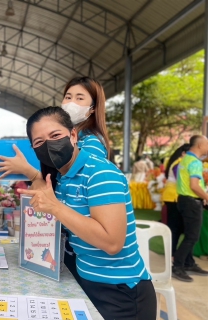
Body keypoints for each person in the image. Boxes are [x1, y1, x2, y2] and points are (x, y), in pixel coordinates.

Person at [17, 107, 156, 319]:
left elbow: (112, 242)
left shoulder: (100, 173)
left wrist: (55, 208)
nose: (48, 145)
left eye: (55, 136)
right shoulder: (61, 178)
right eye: (39, 142)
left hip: (120, 293)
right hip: (87, 283)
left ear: (73, 135)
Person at [0, 76, 110, 282]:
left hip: (98, 268)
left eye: (80, 98)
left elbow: (65, 197)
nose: (72, 103)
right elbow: (56, 190)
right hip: (76, 255)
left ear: (92, 109)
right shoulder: (69, 141)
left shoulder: (91, 148)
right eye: (68, 96)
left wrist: (28, 171)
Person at [173, 135, 208, 282]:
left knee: (189, 234)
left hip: (183, 200)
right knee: (192, 236)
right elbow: (194, 185)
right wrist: (206, 196)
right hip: (191, 202)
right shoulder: (195, 162)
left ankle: (188, 263)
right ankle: (178, 267)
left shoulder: (186, 158)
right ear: (200, 145)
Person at [161, 143, 190, 256]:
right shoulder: (179, 164)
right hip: (173, 198)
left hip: (173, 197)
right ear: (183, 153)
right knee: (175, 227)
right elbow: (182, 180)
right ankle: (171, 253)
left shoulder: (178, 163)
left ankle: (172, 253)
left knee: (176, 227)